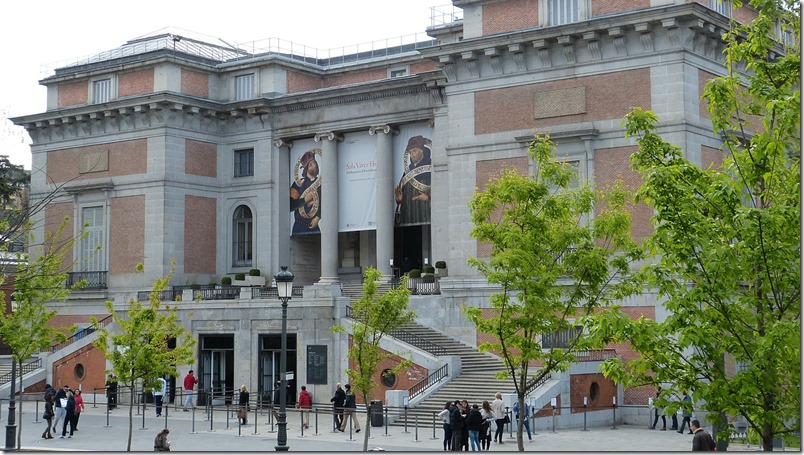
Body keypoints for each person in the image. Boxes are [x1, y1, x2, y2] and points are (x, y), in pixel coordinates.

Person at [394, 135, 432, 225]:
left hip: (426, 216)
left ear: (422, 150)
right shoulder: (407, 171)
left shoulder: (432, 167)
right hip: (409, 218)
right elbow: (401, 197)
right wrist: (400, 202)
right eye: (410, 152)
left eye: (414, 151)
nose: (412, 155)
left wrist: (428, 198)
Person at [290, 149, 322, 235]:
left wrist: (318, 217)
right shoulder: (298, 184)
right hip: (299, 227)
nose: (314, 166)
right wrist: (305, 200)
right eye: (311, 164)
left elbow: (326, 203)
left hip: (314, 226)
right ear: (306, 168)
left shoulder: (321, 184)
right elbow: (290, 206)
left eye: (315, 163)